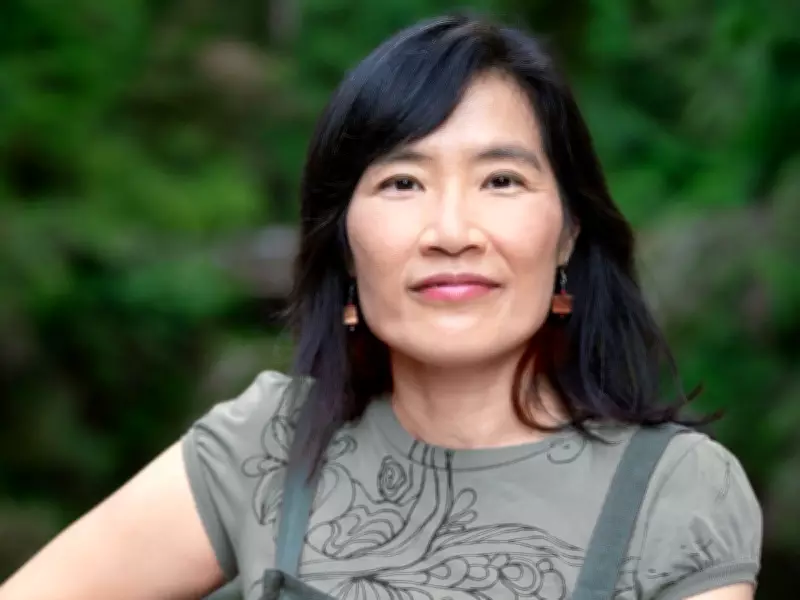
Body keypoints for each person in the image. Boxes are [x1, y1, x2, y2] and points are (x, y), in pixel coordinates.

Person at [0, 13, 761, 600]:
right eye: (402, 183)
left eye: (501, 181)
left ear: (568, 232)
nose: (452, 232)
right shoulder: (268, 447)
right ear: (343, 243)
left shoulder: (673, 490)